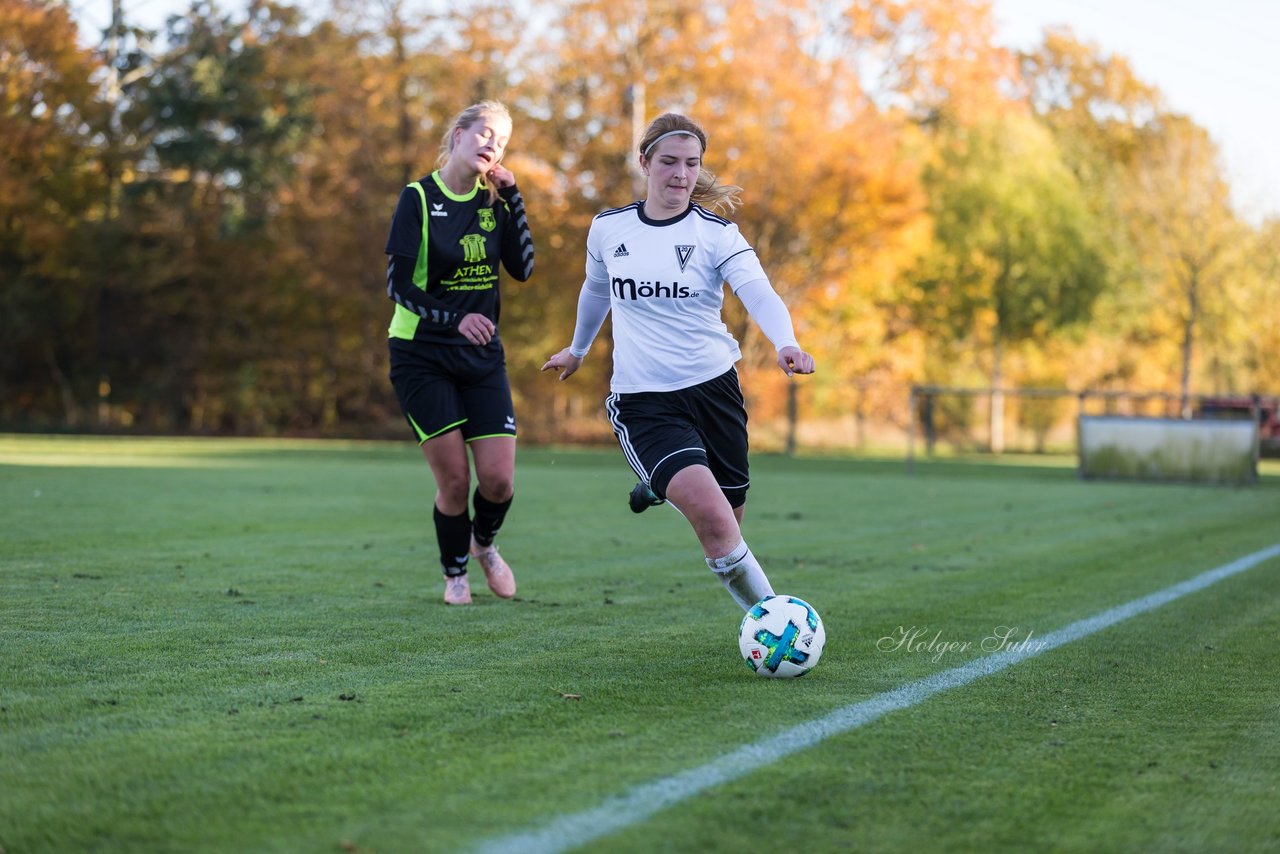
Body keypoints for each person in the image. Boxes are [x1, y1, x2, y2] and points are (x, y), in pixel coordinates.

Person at [541, 112, 815, 612]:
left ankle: (660, 483)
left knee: (731, 519)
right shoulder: (608, 229)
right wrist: (577, 350)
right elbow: (596, 290)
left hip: (714, 390)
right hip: (643, 401)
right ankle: (776, 621)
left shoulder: (717, 234)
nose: (681, 175)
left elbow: (757, 290)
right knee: (713, 521)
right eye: (668, 162)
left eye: (692, 164)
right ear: (644, 162)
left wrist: (786, 341)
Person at [383, 100, 535, 605]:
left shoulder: (493, 202)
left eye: (502, 140)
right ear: (459, 134)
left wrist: (513, 196)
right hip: (420, 354)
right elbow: (398, 286)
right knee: (454, 480)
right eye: (486, 132)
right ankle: (455, 575)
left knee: (497, 481)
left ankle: (484, 545)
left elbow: (524, 269)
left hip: (481, 357)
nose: (493, 144)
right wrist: (455, 318)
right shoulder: (418, 199)